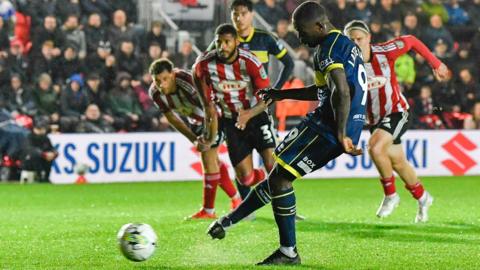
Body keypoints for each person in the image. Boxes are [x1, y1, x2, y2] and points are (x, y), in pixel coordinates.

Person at [207, 3, 367, 265]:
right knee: (277, 177)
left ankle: (288, 252)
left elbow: (342, 91)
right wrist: (279, 95)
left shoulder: (327, 49)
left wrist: (341, 133)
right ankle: (231, 221)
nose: (300, 38)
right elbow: (324, 91)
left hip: (330, 127)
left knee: (280, 180)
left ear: (319, 26)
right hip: (332, 123)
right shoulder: (343, 44)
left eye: (302, 32)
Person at [343, 20, 451, 222]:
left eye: (360, 39)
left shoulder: (385, 52)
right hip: (375, 119)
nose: (356, 43)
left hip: (397, 112)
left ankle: (391, 195)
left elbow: (410, 40)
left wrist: (436, 63)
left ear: (368, 38)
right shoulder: (345, 65)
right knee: (399, 163)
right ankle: (423, 197)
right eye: (351, 40)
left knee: (375, 148)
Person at [208, 0, 294, 204]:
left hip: (259, 109)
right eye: (235, 14)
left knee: (271, 160)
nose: (239, 18)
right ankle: (246, 206)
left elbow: (288, 63)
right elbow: (206, 66)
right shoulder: (225, 41)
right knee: (243, 172)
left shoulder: (265, 39)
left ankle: (285, 203)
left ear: (252, 15)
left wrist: (276, 90)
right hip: (234, 113)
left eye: (243, 13)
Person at [194, 24, 277, 218]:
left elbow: (268, 97)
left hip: (257, 117)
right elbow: (207, 105)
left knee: (272, 163)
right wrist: (210, 134)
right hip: (232, 123)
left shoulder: (250, 62)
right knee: (246, 178)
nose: (222, 46)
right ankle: (263, 179)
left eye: (227, 42)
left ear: (236, 43)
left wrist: (248, 114)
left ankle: (286, 208)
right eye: (219, 42)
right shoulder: (203, 65)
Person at [148, 58, 241, 219]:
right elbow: (172, 118)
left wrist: (209, 138)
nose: (161, 85)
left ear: (173, 74)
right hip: (196, 121)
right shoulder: (155, 93)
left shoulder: (188, 82)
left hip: (217, 114)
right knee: (214, 162)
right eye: (157, 81)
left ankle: (209, 210)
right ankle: (237, 200)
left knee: (208, 158)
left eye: (165, 79)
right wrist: (194, 139)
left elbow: (210, 109)